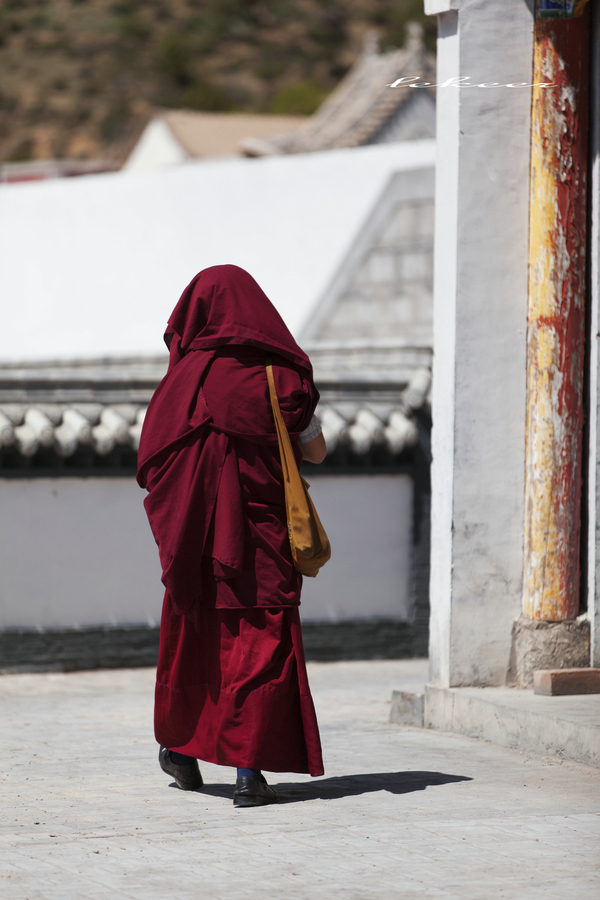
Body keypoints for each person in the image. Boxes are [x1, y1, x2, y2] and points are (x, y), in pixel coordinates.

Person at [137, 264, 327, 808]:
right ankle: (248, 774)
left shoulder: (181, 384)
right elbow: (315, 450)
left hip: (195, 545)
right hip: (264, 540)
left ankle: (181, 753)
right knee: (259, 645)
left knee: (195, 643)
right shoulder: (281, 379)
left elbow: (154, 465)